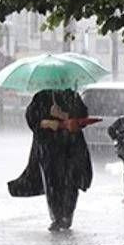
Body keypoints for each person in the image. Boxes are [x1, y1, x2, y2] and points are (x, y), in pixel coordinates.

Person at [22, 88, 93, 231]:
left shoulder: (72, 95)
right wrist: (45, 123)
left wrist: (64, 116)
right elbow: (32, 118)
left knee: (71, 181)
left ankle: (67, 214)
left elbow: (82, 119)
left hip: (71, 148)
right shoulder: (40, 97)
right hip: (49, 149)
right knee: (52, 182)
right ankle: (57, 216)